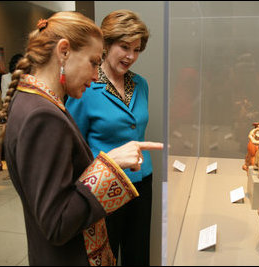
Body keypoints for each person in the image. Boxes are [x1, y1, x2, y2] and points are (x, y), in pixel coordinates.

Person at [0, 11, 163, 266]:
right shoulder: (42, 116)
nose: (97, 75)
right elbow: (58, 222)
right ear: (64, 51)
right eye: (93, 62)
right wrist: (110, 165)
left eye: (137, 49)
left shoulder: (32, 101)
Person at [66, 9, 153, 265]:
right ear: (106, 44)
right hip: (105, 187)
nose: (131, 56)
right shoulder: (86, 85)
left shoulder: (141, 84)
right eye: (124, 47)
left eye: (136, 49)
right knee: (106, 255)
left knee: (139, 253)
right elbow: (75, 146)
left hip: (141, 182)